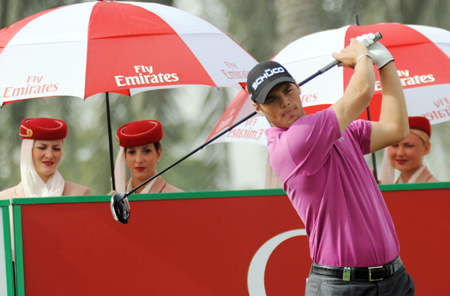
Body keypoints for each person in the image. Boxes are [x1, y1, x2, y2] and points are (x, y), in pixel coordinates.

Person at [247, 34, 414, 295]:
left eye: (287, 90)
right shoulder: (295, 141)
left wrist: (385, 64)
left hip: (394, 280)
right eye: (271, 100)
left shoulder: (334, 131)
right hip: (342, 286)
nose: (285, 102)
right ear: (258, 108)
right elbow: (360, 92)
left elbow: (397, 129)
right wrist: (361, 56)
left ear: (298, 87)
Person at [0, 117, 92, 198]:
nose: (50, 155)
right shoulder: (5, 199)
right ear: (27, 151)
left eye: (56, 148)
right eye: (42, 147)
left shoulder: (81, 195)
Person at [112, 119, 183, 194]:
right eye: (132, 152)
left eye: (146, 151)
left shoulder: (178, 199)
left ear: (158, 153)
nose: (139, 160)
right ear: (125, 157)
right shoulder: (113, 201)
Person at [380, 116, 438, 184]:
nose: (400, 153)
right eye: (395, 145)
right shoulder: (386, 189)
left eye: (409, 146)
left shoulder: (437, 191)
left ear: (426, 148)